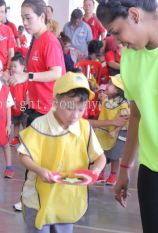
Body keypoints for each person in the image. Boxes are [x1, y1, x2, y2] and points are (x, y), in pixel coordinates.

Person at [96, 1, 158, 232]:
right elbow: (137, 114)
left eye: (116, 32)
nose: (117, 42)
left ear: (134, 15)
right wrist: (124, 167)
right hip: (152, 170)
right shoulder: (130, 59)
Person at [18, 71, 106, 233]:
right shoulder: (40, 125)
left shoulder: (84, 128)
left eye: (80, 110)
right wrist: (39, 170)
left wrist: (96, 170)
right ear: (56, 101)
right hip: (38, 200)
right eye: (69, 108)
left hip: (67, 199)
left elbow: (100, 157)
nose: (75, 115)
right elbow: (23, 155)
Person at [9, 0, 65, 126]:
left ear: (42, 17)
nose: (24, 23)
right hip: (37, 105)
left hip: (49, 108)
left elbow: (57, 73)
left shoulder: (50, 41)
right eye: (23, 18)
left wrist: (27, 76)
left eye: (28, 18)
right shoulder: (36, 39)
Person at [90, 75, 129, 185]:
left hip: (118, 132)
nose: (107, 85)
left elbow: (124, 119)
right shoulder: (107, 100)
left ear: (118, 89)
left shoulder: (123, 104)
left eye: (111, 84)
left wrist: (116, 130)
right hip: (104, 131)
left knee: (115, 155)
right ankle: (101, 174)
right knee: (102, 152)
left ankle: (113, 175)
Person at [9, 53, 28, 146]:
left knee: (24, 123)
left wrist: (27, 105)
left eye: (15, 66)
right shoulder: (11, 79)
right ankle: (16, 137)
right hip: (14, 106)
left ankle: (25, 138)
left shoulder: (25, 79)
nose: (12, 68)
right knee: (16, 123)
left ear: (23, 67)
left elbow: (28, 93)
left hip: (24, 106)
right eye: (11, 66)